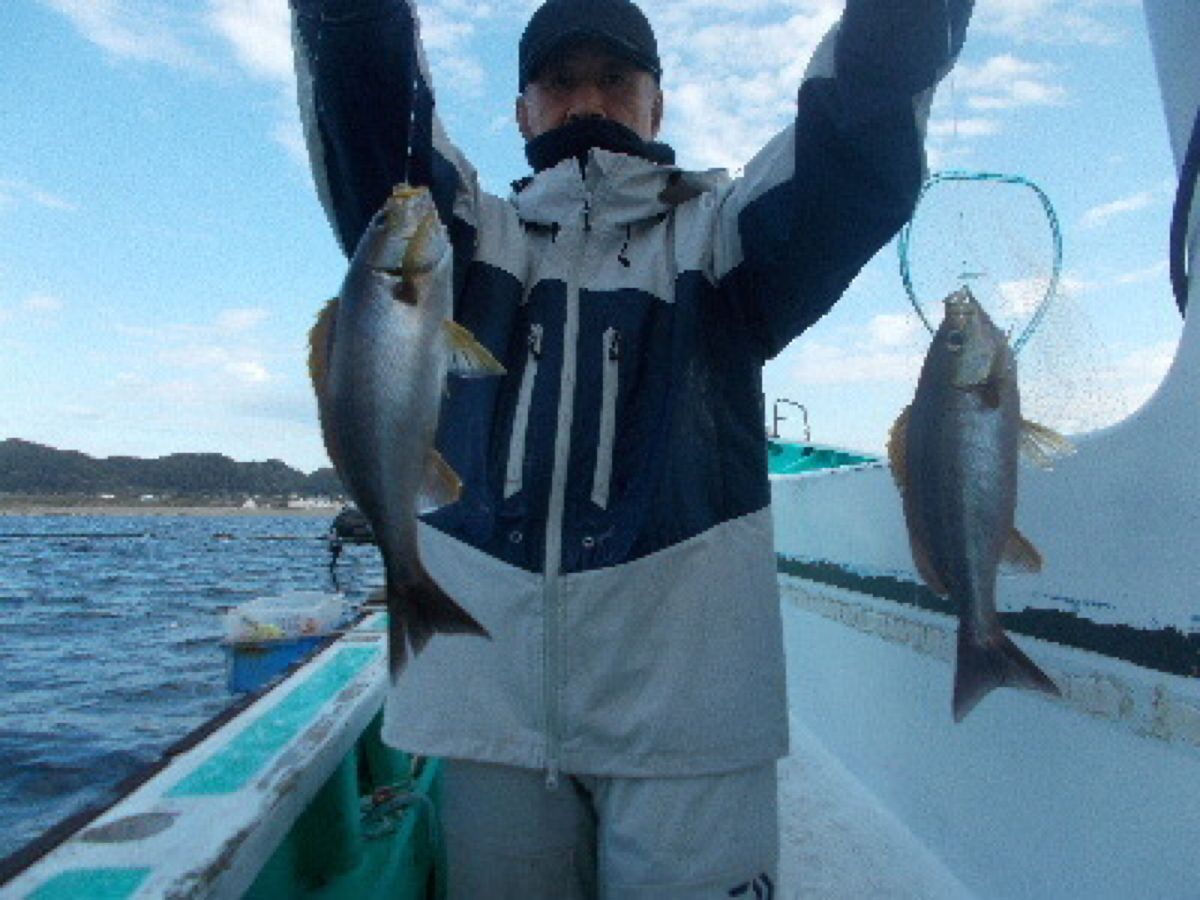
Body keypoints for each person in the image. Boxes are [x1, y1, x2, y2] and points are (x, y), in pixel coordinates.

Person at [290, 0, 972, 895]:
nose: (587, 103)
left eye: (616, 80)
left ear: (657, 105)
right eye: (559, 82)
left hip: (689, 724)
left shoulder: (723, 239)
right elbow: (369, 109)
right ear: (523, 111)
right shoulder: (459, 239)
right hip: (486, 716)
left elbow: (858, 135)